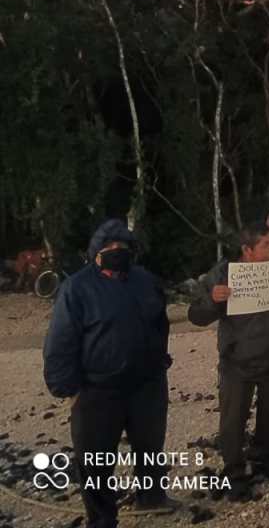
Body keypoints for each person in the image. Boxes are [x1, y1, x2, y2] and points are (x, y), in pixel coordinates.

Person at [43, 219, 175, 527]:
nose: (118, 251)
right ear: (95, 253)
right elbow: (61, 340)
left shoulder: (146, 280)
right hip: (96, 390)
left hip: (148, 384)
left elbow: (160, 324)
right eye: (109, 246)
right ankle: (101, 518)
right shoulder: (76, 288)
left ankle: (151, 497)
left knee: (150, 447)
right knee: (95, 460)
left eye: (123, 246)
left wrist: (159, 361)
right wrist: (66, 387)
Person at [188, 222, 269, 490]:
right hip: (238, 362)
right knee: (233, 421)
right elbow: (196, 316)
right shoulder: (222, 274)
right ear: (247, 250)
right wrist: (213, 299)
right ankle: (234, 471)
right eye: (266, 244)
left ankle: (263, 459)